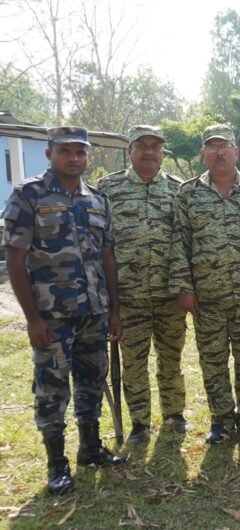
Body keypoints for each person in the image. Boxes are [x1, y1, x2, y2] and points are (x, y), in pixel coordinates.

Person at [2, 126, 127, 495]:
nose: (74, 158)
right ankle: (57, 463)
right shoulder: (28, 195)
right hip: (52, 314)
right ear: (50, 153)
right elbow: (15, 258)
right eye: (66, 151)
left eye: (80, 152)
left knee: (91, 379)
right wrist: (32, 318)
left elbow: (107, 257)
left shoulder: (96, 199)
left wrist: (114, 310)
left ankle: (90, 447)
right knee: (52, 387)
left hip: (93, 310)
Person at [169, 124, 240, 444]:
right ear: (203, 155)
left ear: (236, 152)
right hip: (206, 296)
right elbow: (179, 242)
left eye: (225, 146)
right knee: (212, 359)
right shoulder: (187, 193)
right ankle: (221, 419)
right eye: (212, 147)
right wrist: (184, 287)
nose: (219, 152)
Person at [97, 125, 188, 446]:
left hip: (169, 295)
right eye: (142, 146)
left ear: (162, 152)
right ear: (130, 150)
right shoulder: (108, 188)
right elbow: (100, 243)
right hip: (128, 296)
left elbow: (184, 240)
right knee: (133, 362)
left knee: (171, 358)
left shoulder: (179, 190)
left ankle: (174, 413)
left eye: (155, 146)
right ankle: (139, 422)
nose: (149, 152)